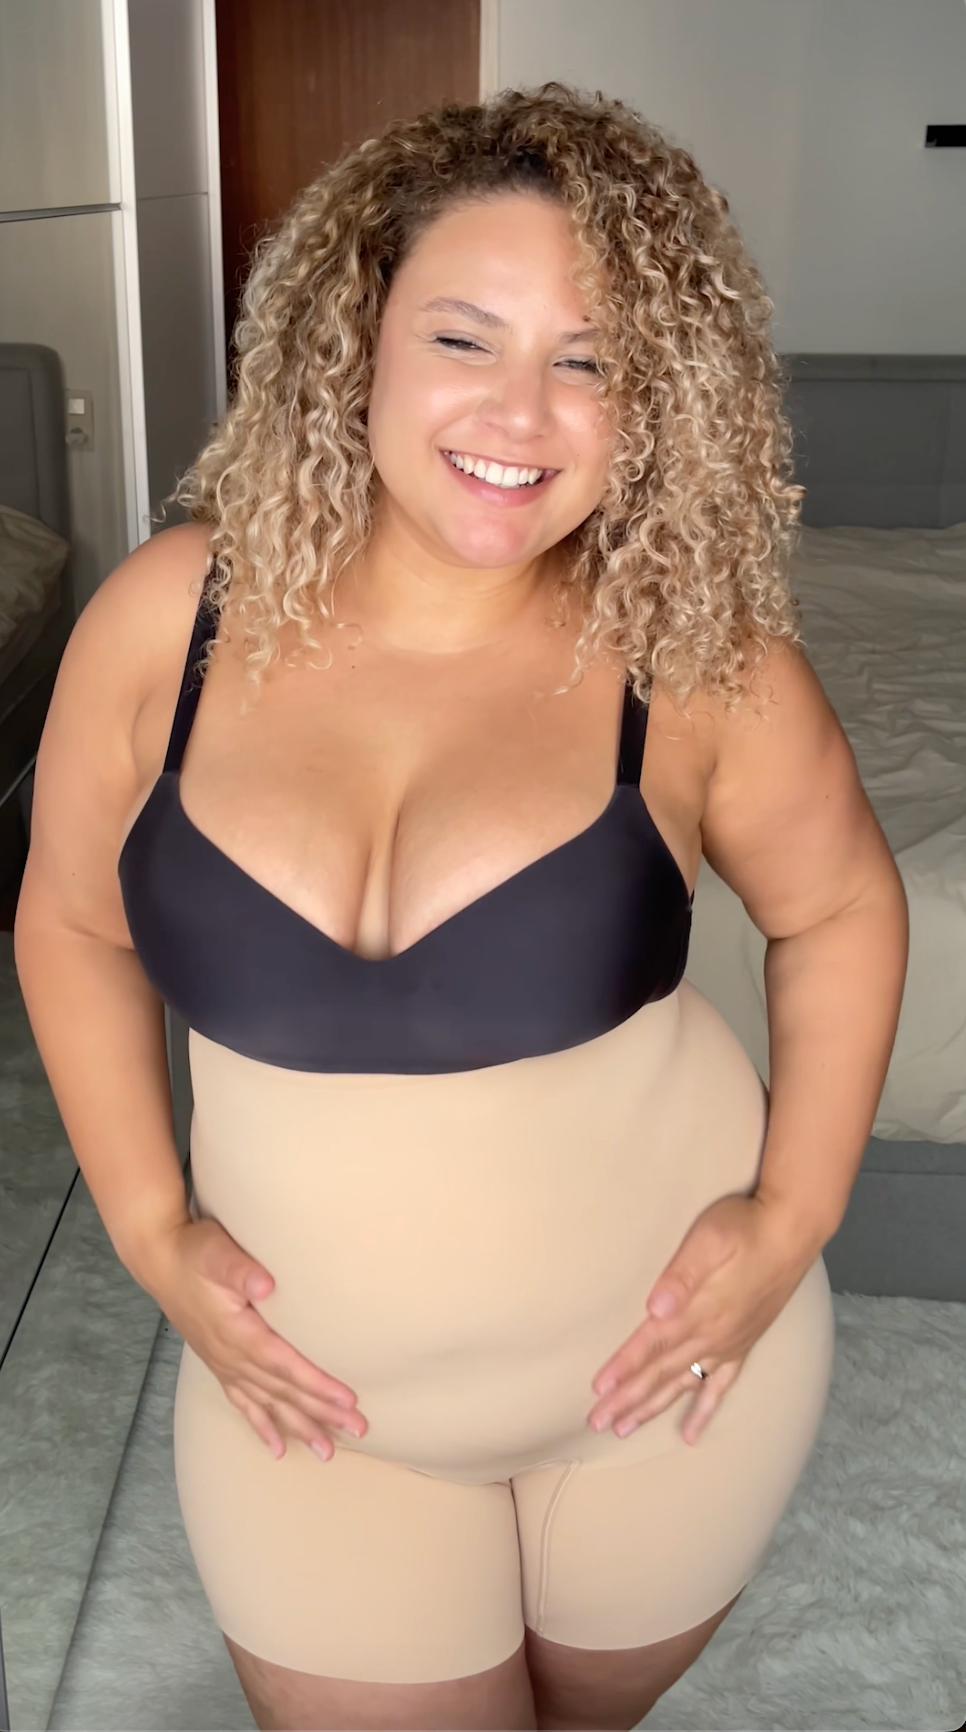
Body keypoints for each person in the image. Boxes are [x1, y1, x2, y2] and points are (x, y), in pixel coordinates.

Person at [15, 83, 908, 1732]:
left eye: (592, 360)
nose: (523, 412)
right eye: (461, 338)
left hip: (668, 1395)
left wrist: (792, 1216)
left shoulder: (691, 656)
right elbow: (70, 923)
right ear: (352, 338)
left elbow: (841, 905)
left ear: (658, 399)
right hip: (314, 1420)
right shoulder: (164, 623)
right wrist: (147, 1227)